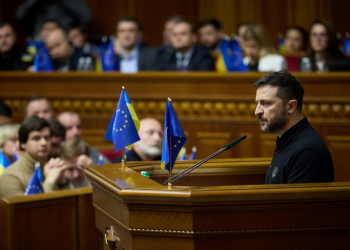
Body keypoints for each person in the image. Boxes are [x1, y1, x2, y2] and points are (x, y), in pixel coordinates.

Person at [254, 71, 334, 184]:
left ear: (291, 107)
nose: (257, 111)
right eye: (257, 103)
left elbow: (297, 202)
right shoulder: (287, 140)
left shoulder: (307, 152)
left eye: (266, 103)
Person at [0, 116, 70, 198]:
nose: (44, 143)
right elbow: (30, 210)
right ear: (23, 143)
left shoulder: (52, 169)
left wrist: (62, 182)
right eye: (36, 138)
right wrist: (49, 182)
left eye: (47, 138)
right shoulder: (11, 177)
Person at [16, 0, 92, 37]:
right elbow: (20, 16)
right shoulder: (38, 3)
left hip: (64, 45)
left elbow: (87, 17)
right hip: (41, 46)